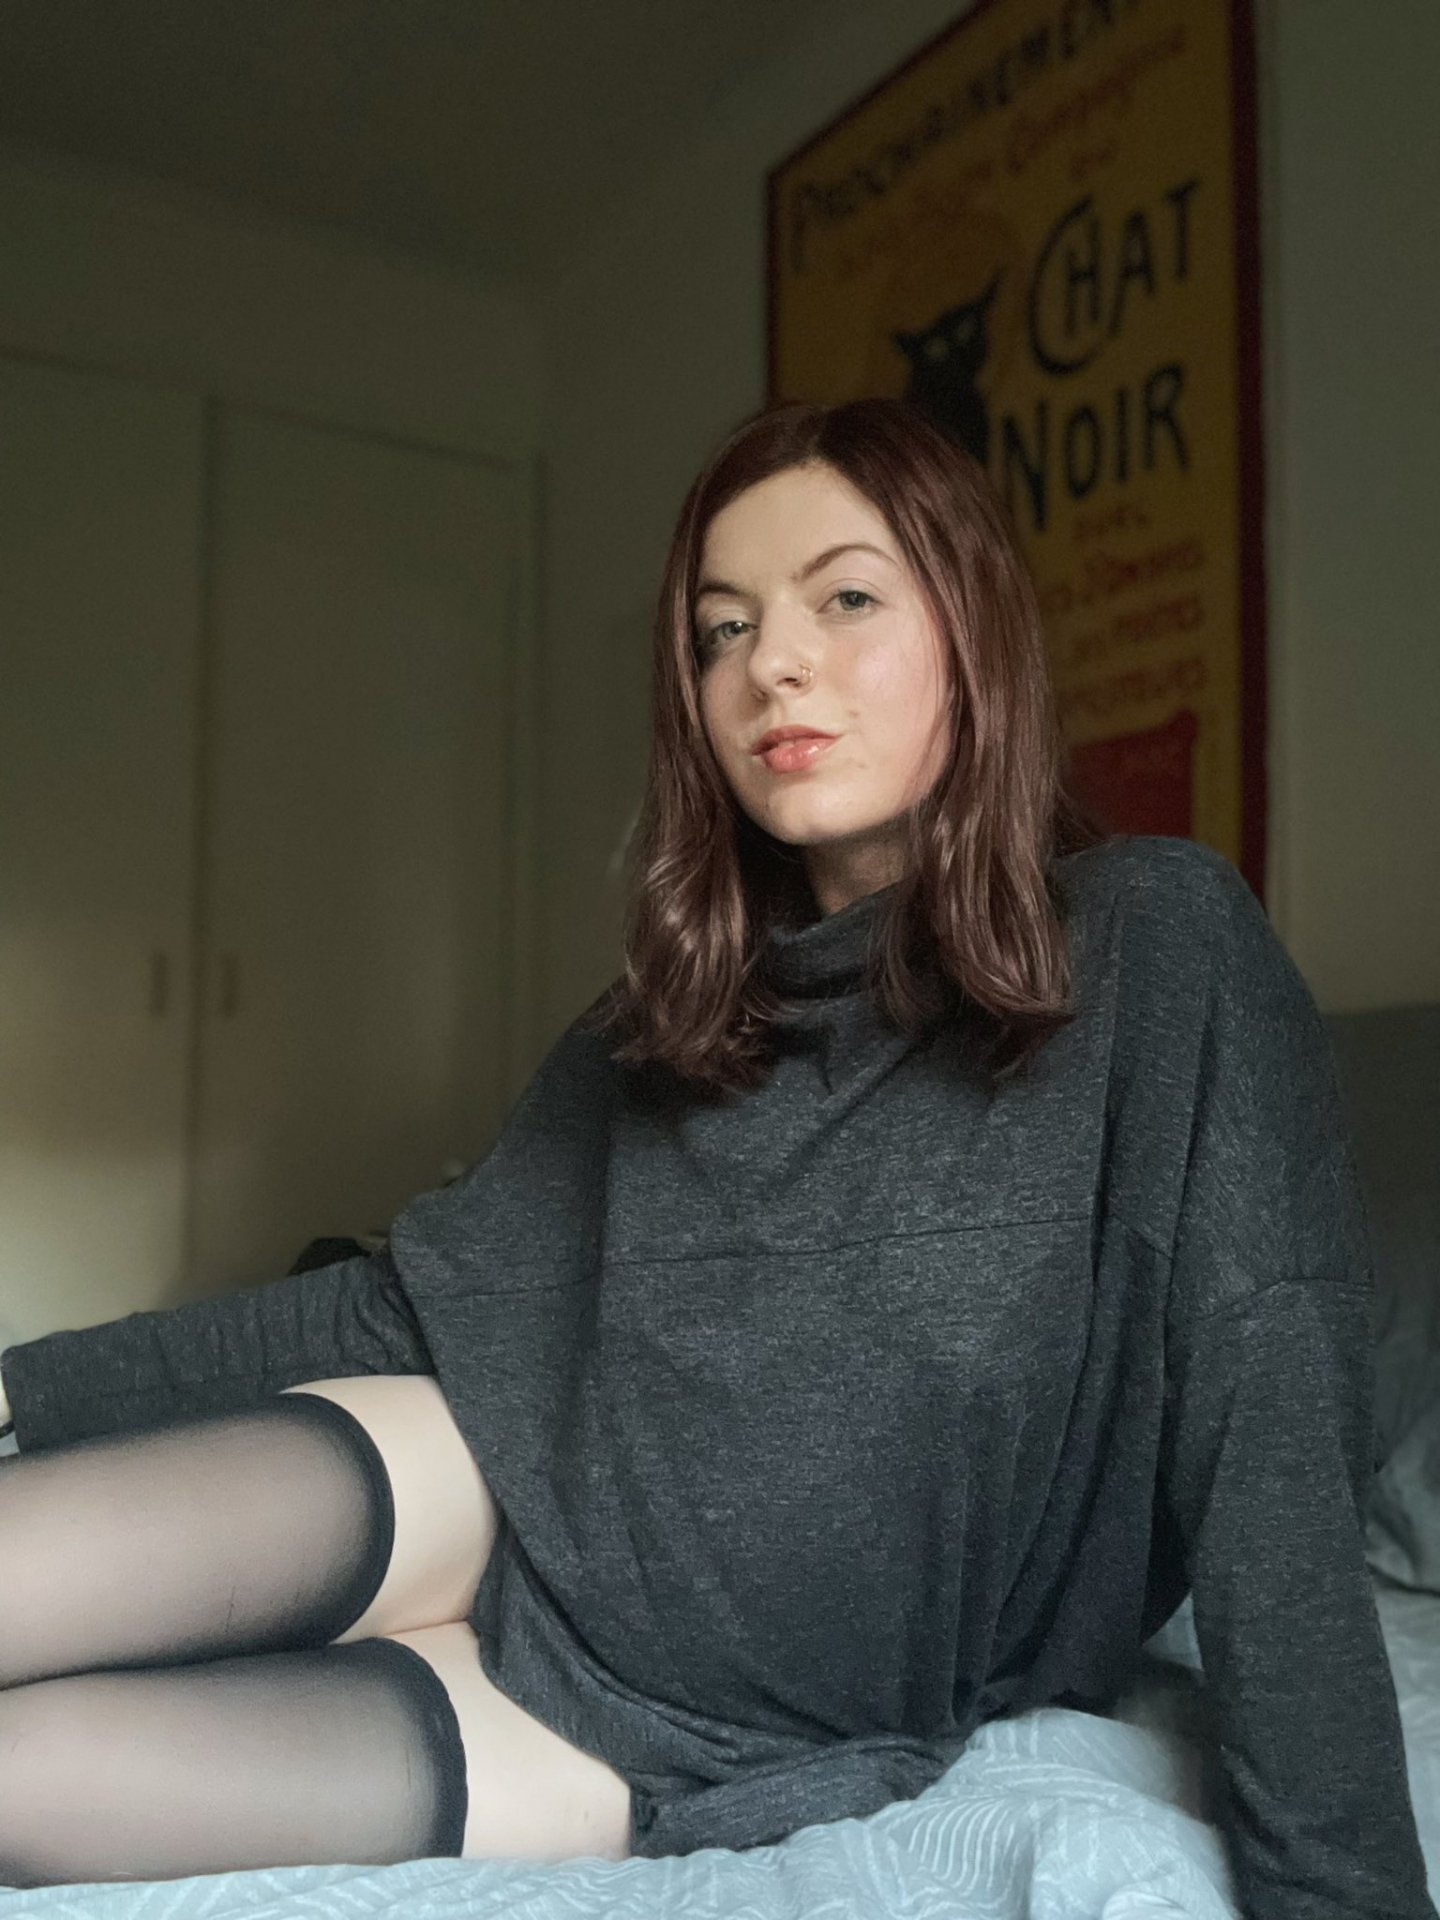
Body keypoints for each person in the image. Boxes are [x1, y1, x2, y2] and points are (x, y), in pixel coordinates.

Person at [0, 397, 1432, 1915]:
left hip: (691, 1728)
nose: (773, 665)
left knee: (27, 1782)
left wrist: (1345, 1895)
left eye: (846, 599)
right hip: (486, 1476)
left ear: (975, 629)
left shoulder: (1159, 950)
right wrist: (20, 1389)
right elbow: (393, 1308)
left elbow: (1268, 1424)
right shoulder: (660, 1027)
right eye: (722, 629)